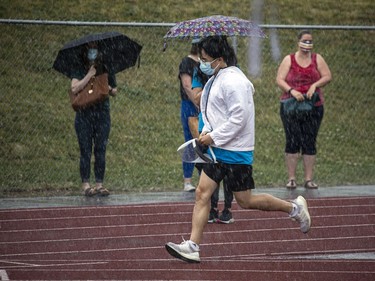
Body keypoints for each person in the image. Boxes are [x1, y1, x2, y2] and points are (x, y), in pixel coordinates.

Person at [165, 36, 311, 263]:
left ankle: (294, 208)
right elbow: (215, 112)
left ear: (219, 59)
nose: (201, 63)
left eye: (205, 59)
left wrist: (212, 136)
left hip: (235, 153)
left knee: (246, 200)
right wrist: (207, 132)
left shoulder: (234, 81)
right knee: (202, 193)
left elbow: (239, 119)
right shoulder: (216, 77)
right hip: (217, 150)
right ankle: (193, 246)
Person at [276, 30, 332, 189]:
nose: (307, 44)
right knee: (292, 140)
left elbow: (327, 76)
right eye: (305, 41)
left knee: (309, 141)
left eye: (310, 41)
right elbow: (279, 79)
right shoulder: (289, 59)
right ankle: (291, 178)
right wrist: (291, 91)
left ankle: (308, 179)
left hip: (313, 106)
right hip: (291, 106)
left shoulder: (317, 59)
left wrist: (314, 85)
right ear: (298, 42)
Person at [70, 42, 117, 197]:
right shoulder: (79, 67)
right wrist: (89, 75)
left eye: (95, 49)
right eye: (90, 49)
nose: (93, 52)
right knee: (85, 150)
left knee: (100, 150)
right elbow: (75, 88)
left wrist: (106, 87)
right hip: (84, 115)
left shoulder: (106, 67)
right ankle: (85, 184)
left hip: (102, 115)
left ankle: (99, 184)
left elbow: (114, 90)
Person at [191, 57, 234, 224]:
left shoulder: (230, 71)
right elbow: (196, 98)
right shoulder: (199, 70)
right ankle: (212, 207)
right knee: (209, 167)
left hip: (225, 127)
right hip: (206, 126)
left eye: (206, 56)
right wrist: (211, 87)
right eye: (202, 57)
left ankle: (228, 209)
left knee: (228, 169)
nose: (204, 61)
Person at [178, 41, 201, 192]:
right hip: (190, 105)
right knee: (191, 142)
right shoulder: (187, 62)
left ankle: (204, 177)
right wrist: (198, 103)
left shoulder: (205, 64)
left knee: (204, 141)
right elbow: (187, 85)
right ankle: (187, 180)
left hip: (203, 104)